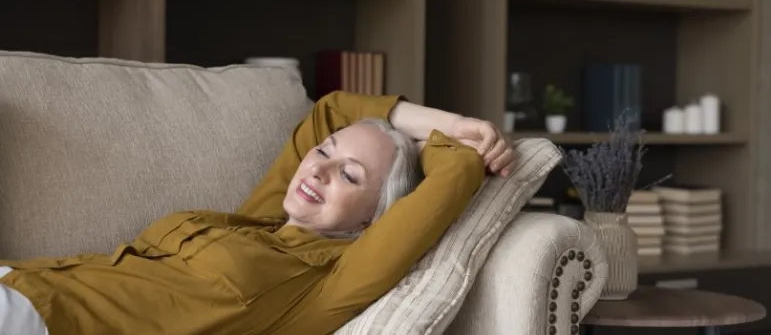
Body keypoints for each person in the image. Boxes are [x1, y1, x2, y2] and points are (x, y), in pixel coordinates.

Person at [0, 91, 517, 335]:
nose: (317, 170)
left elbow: (455, 170)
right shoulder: (257, 220)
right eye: (323, 154)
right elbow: (331, 111)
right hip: (20, 281)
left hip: (43, 323)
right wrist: (450, 116)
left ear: (372, 220)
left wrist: (464, 136)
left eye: (351, 176)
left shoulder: (327, 284)